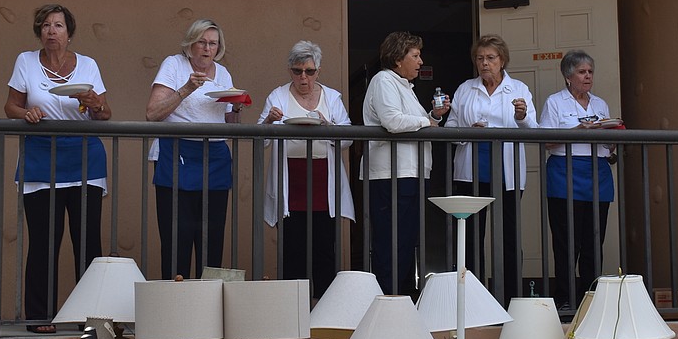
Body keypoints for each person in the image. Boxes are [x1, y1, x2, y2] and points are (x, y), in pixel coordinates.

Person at [4, 4, 112, 333]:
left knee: (87, 241)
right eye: (46, 26)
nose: (52, 31)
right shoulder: (25, 61)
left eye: (59, 25)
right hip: (40, 158)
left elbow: (104, 114)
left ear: (69, 32)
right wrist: (27, 115)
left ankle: (90, 315)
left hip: (84, 159)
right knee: (43, 241)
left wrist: (96, 105)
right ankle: (39, 315)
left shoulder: (88, 65)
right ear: (40, 32)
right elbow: (10, 106)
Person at [146, 19, 244, 280]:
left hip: (215, 157)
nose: (207, 48)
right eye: (202, 42)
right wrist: (188, 88)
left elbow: (228, 123)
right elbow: (153, 113)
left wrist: (236, 107)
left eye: (213, 43)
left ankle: (208, 309)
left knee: (212, 237)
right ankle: (176, 309)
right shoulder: (174, 65)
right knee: (177, 236)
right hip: (176, 153)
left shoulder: (223, 74)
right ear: (190, 43)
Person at [258, 41, 355, 298]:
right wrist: (268, 121)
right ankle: (295, 312)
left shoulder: (332, 97)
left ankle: (324, 311)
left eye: (309, 71)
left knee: (325, 250)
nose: (304, 77)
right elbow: (261, 140)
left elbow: (347, 138)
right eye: (298, 71)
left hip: (324, 184)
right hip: (291, 185)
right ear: (289, 70)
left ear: (318, 71)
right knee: (293, 251)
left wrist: (328, 126)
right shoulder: (277, 96)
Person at [445, 34, 537, 303]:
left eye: (490, 58)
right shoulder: (465, 88)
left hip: (506, 172)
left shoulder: (518, 88)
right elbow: (450, 129)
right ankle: (473, 299)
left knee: (508, 235)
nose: (485, 63)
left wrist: (521, 118)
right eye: (480, 58)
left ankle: (510, 296)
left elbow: (533, 129)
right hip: (471, 170)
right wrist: (466, 132)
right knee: (472, 237)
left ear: (502, 60)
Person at [361, 31, 451, 295]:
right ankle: (390, 297)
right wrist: (429, 122)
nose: (420, 61)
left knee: (405, 240)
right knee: (391, 241)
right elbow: (393, 121)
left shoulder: (402, 85)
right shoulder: (383, 80)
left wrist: (433, 115)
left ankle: (404, 296)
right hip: (391, 174)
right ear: (398, 58)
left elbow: (411, 120)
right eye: (415, 55)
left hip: (409, 173)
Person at [539, 50, 615, 308]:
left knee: (594, 241)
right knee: (567, 242)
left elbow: (607, 141)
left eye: (590, 72)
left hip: (598, 173)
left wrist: (612, 142)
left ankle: (591, 299)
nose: (588, 77)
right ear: (568, 76)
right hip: (565, 173)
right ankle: (565, 299)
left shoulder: (600, 104)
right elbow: (547, 141)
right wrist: (578, 129)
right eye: (582, 72)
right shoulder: (555, 102)